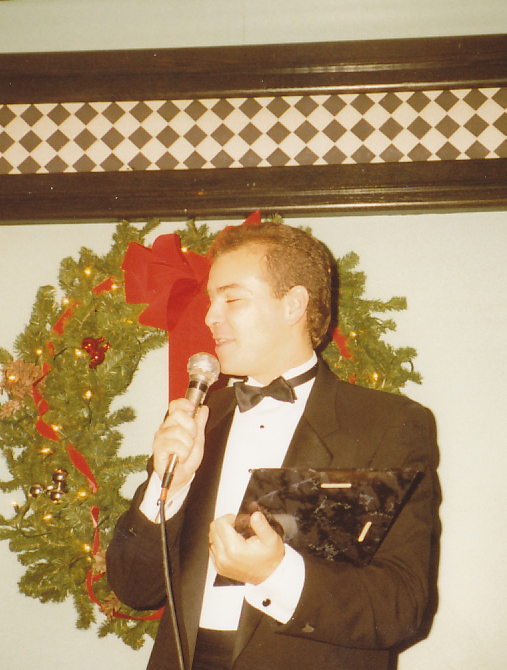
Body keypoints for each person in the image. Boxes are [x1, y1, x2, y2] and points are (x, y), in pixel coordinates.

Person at [106, 221, 441, 670]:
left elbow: (404, 605)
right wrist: (169, 488)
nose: (210, 316)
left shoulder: (387, 424)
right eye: (211, 300)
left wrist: (274, 574)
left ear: (293, 304)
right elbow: (133, 588)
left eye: (232, 299)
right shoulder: (199, 418)